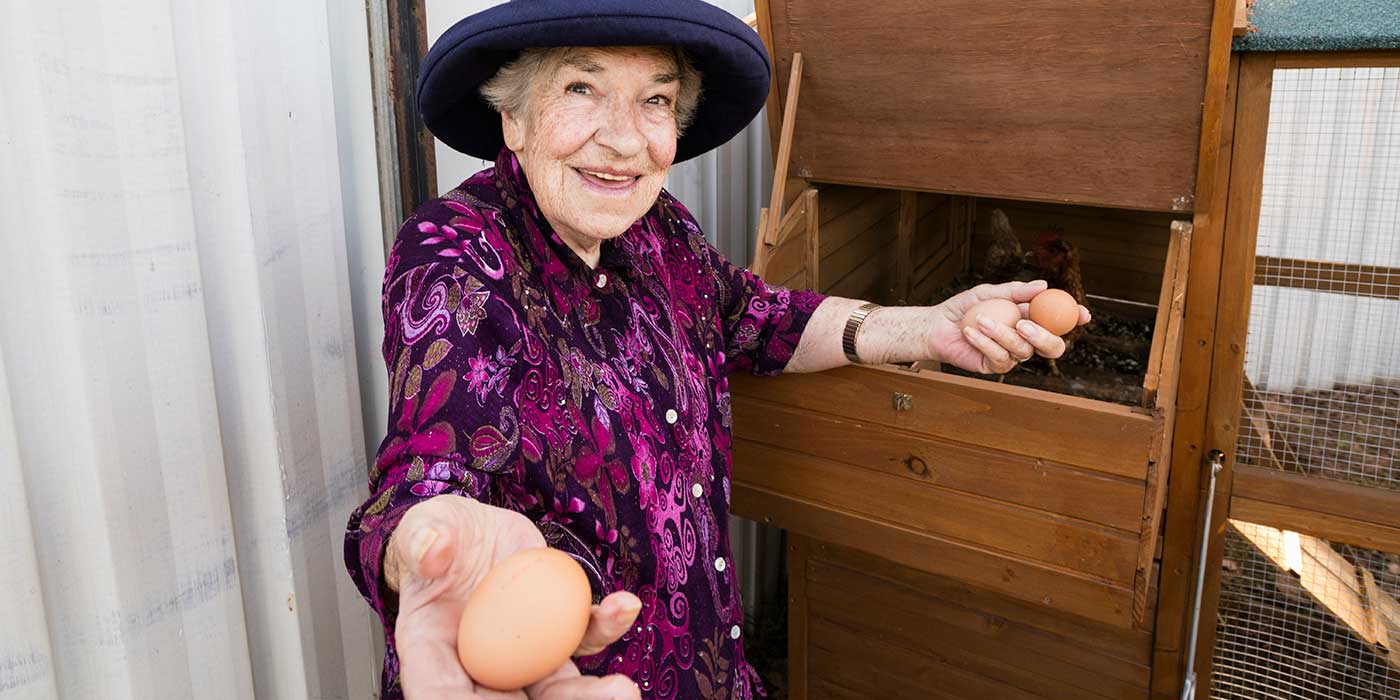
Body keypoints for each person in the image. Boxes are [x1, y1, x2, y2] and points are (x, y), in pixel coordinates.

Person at [343, 1, 1089, 698]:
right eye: (581, 87)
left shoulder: (659, 230)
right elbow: (427, 466)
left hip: (711, 670)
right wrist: (425, 544)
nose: (627, 138)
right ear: (512, 117)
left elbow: (758, 319)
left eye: (656, 100)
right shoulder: (457, 255)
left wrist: (925, 329)